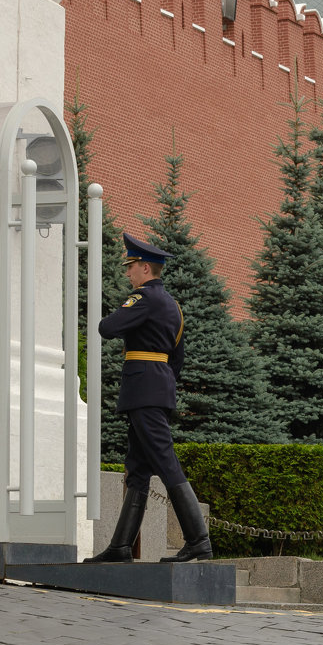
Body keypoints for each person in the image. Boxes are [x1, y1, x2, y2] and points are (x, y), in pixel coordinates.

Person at [85, 233, 212, 564]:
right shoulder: (173, 307)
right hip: (158, 388)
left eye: (131, 268)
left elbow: (107, 327)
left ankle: (199, 540)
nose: (127, 274)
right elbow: (178, 359)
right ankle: (121, 547)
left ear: (144, 268)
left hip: (143, 391)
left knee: (165, 462)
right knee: (138, 469)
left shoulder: (144, 299)